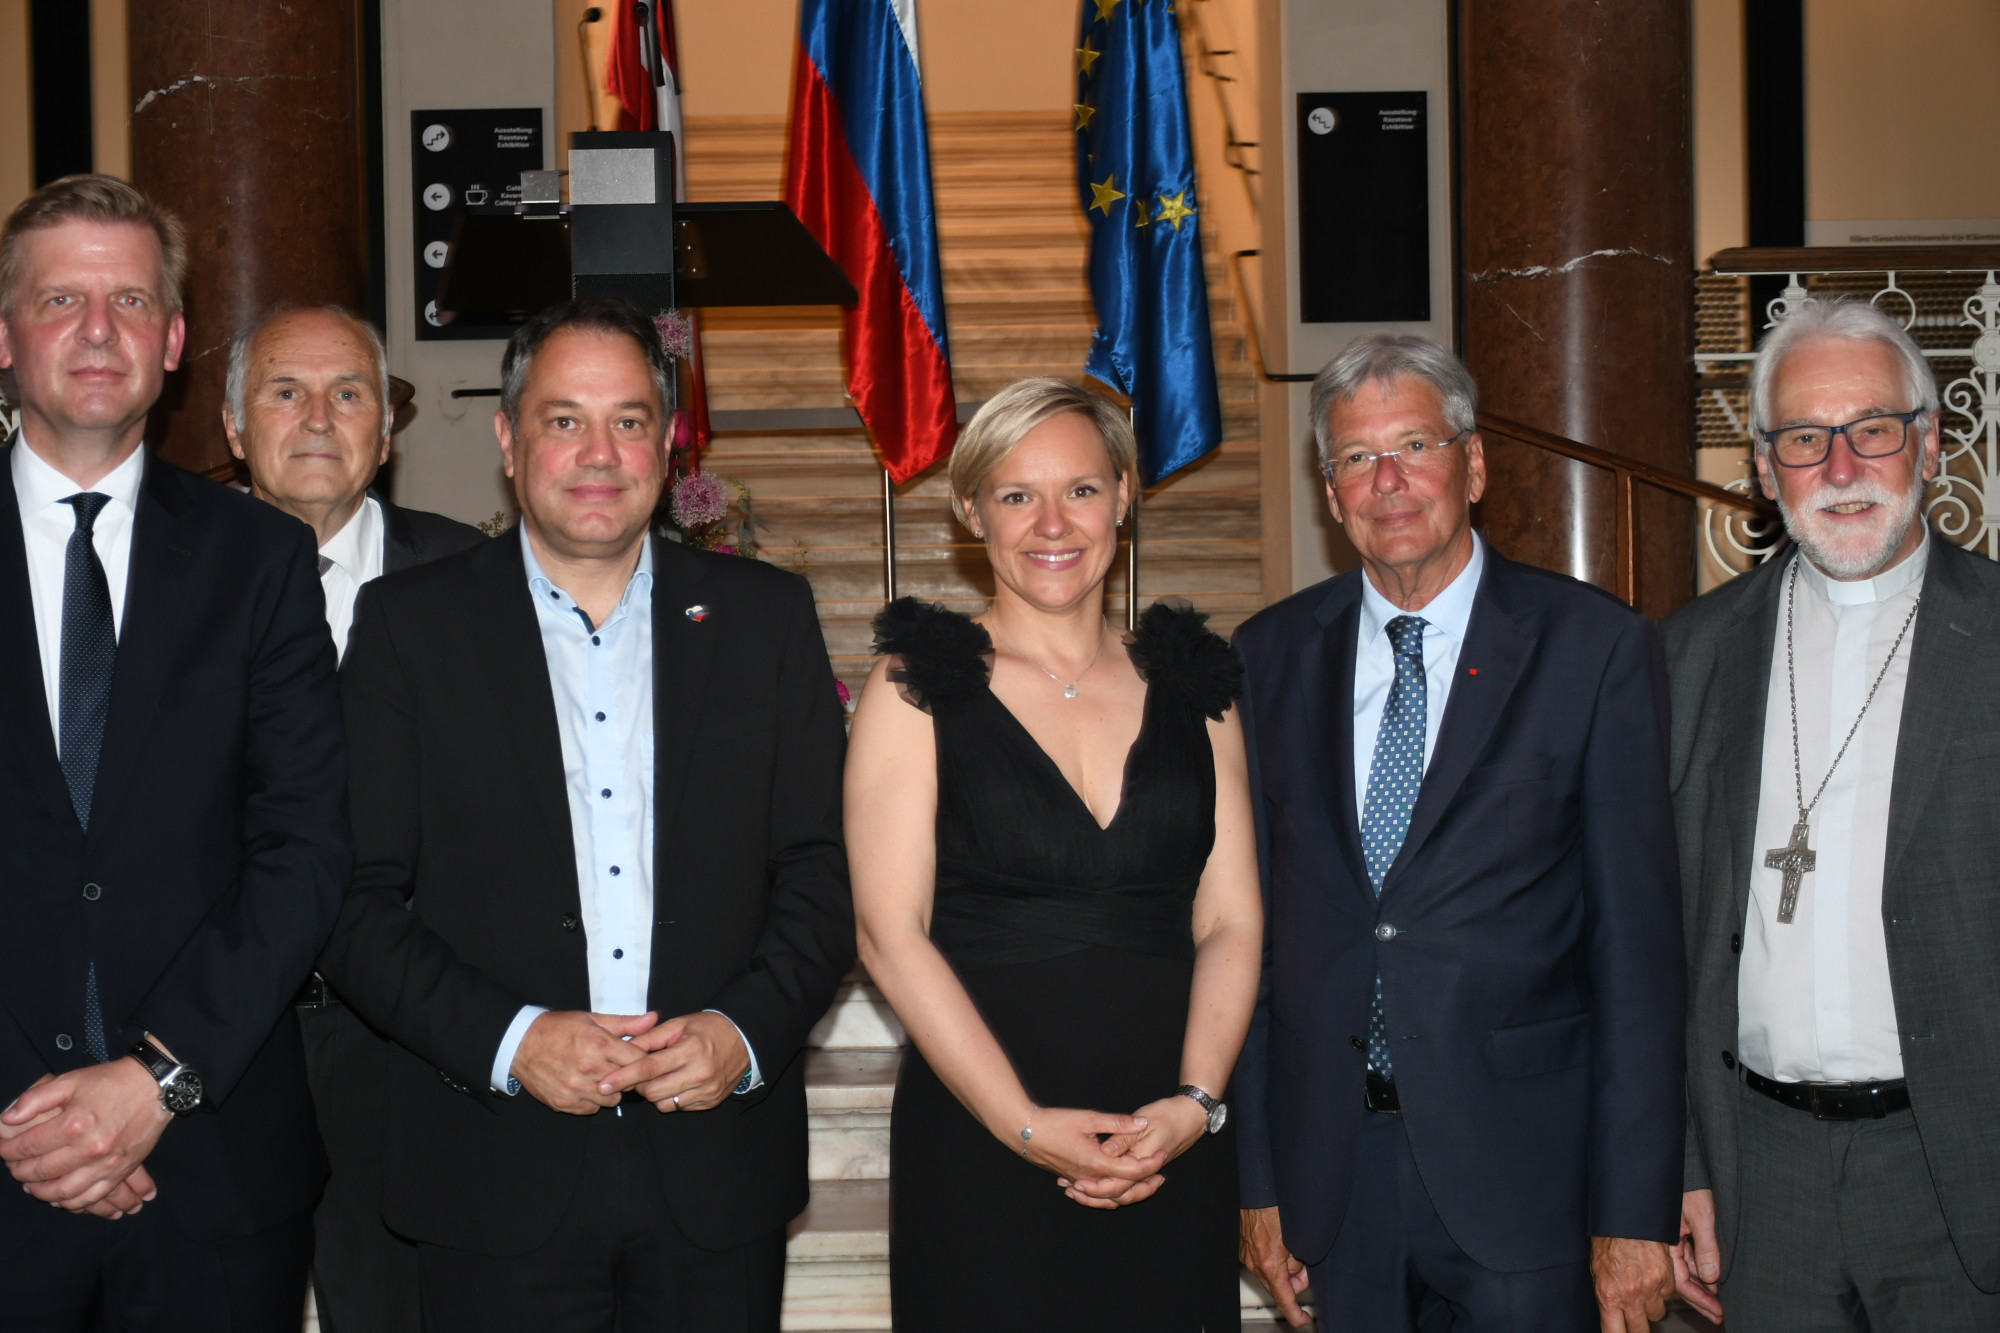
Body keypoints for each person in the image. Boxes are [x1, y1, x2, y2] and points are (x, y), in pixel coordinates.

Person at [316, 294, 854, 1333]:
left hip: (715, 1168)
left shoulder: (764, 618)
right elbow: (352, 895)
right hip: (490, 1163)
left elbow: (822, 871)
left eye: (628, 420)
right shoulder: (408, 627)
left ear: (668, 439)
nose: (599, 453)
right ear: (508, 440)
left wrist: (743, 1031)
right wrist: (510, 1039)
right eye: (564, 420)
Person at [1232, 334, 1685, 1333]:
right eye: (1358, 457)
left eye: (1415, 446)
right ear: (1329, 491)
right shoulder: (1266, 658)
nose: (1387, 480)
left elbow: (1637, 952)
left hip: (1526, 1172)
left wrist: (1632, 1208)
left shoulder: (1593, 647)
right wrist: (1257, 1180)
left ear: (1472, 465)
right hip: (1335, 1176)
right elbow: (1250, 938)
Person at [0, 176, 350, 1326]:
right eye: (61, 300)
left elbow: (303, 846)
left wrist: (156, 1078)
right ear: (4, 337)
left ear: (175, 340)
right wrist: (41, 1118)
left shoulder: (262, 561)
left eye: (132, 301)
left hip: (215, 1175)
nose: (99, 330)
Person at [847, 376, 1264, 1332]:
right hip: (981, 1136)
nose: (1051, 524)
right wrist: (1023, 1125)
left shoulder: (1197, 685)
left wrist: (1195, 1103)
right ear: (971, 511)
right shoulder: (916, 686)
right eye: (1016, 494)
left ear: (1123, 495)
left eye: (1079, 489)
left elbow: (1232, 918)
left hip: (1169, 1140)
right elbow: (887, 933)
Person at [1661, 298, 2000, 1330]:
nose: (1842, 466)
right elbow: (1656, 935)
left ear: (1928, 444)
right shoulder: (1690, 653)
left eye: (1872, 429)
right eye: (1805, 438)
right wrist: (1679, 1163)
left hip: (1960, 1167)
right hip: (1759, 1173)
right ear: (1766, 470)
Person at [223, 302, 485, 1333]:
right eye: (285, 391)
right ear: (234, 425)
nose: (319, 417)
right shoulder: (159, 578)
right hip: (221, 1038)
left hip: (410, 1049)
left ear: (388, 429)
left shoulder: (477, 585)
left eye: (349, 393)